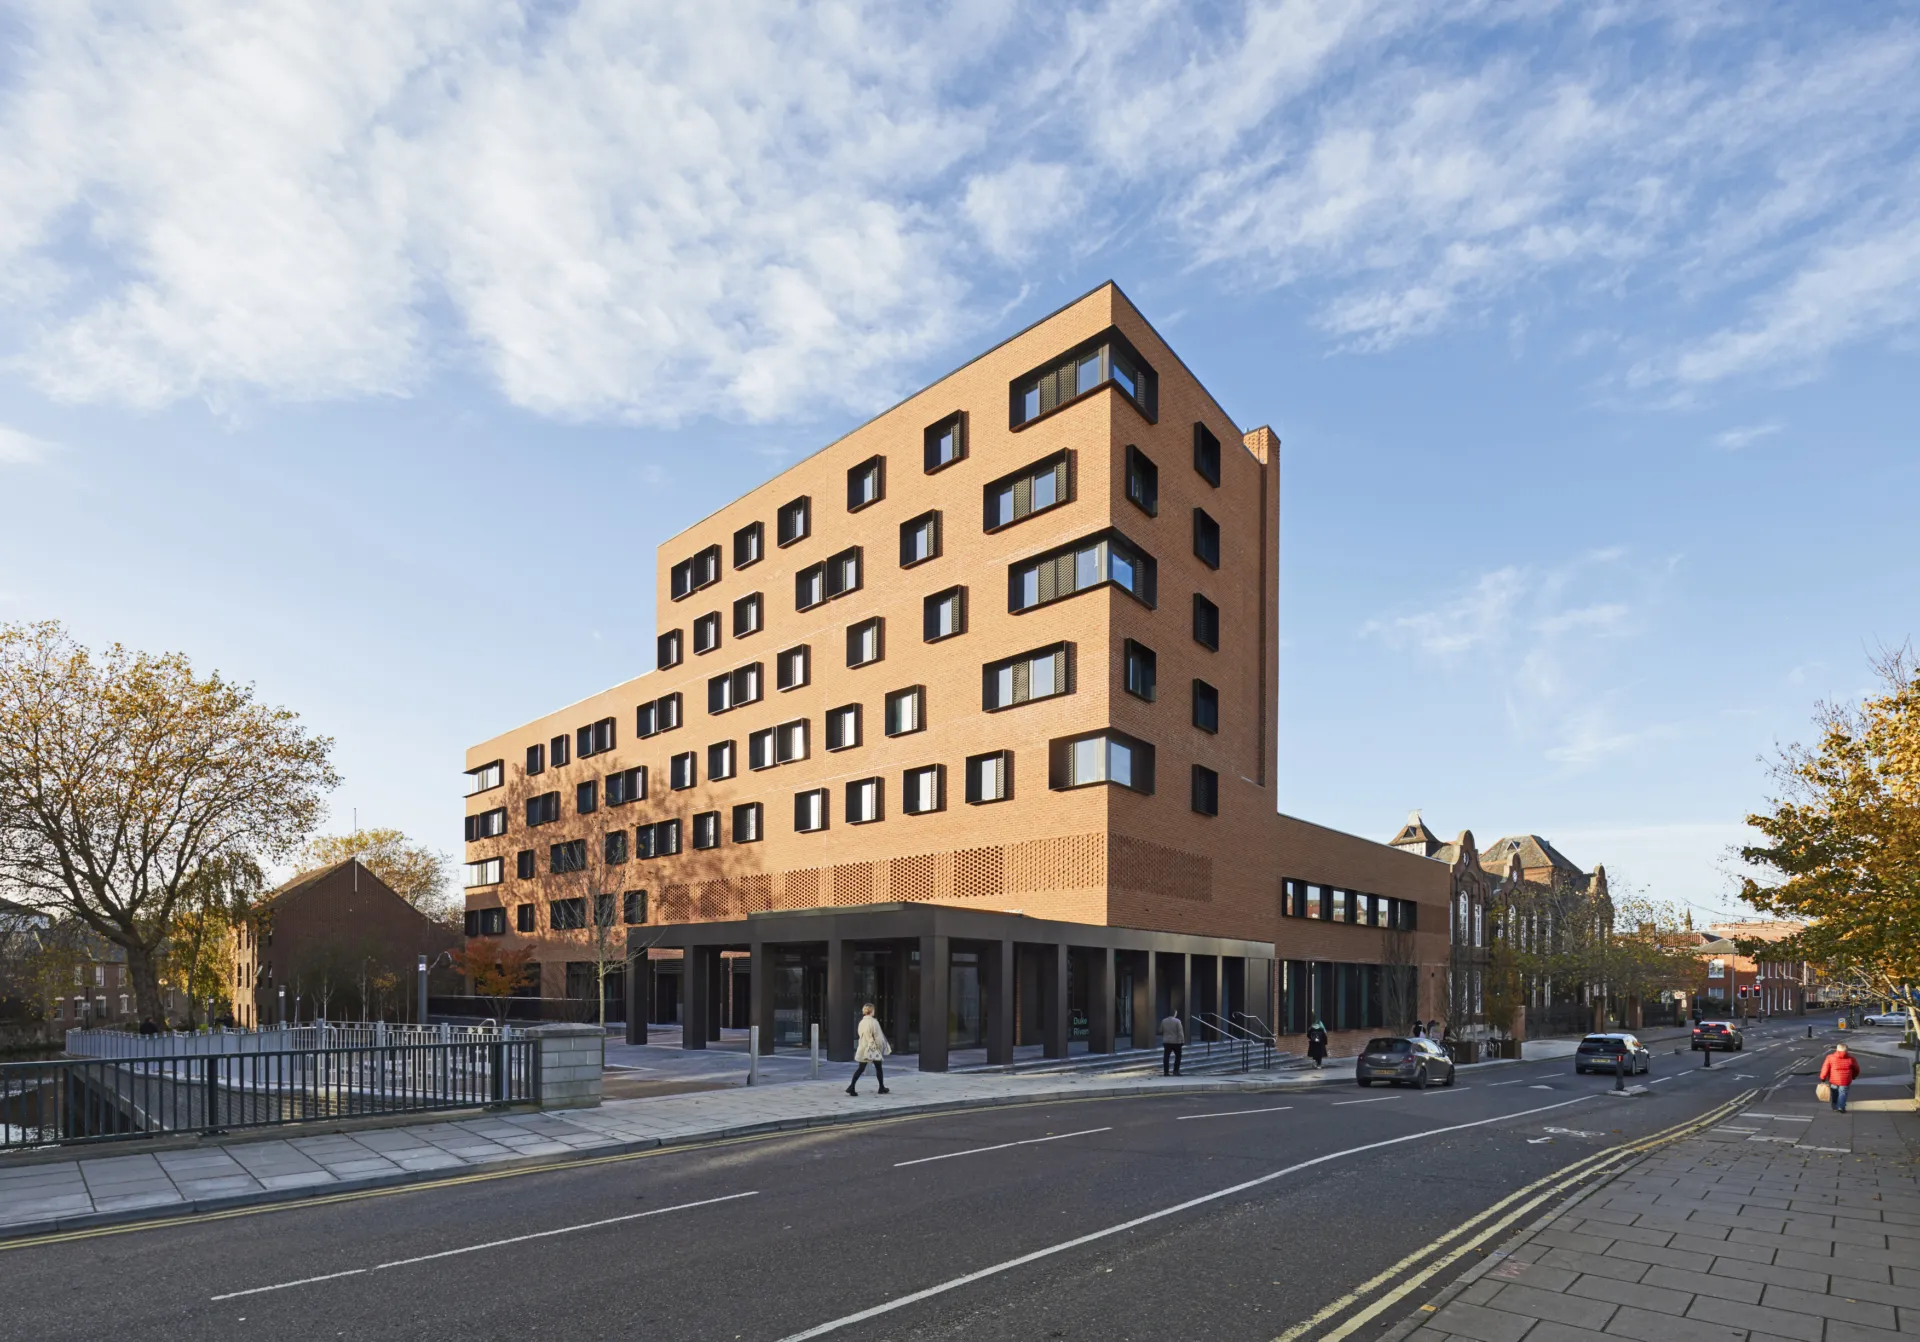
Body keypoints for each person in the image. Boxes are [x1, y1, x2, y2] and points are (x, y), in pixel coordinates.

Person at [847, 1003, 891, 1096]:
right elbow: (878, 1037)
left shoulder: (861, 1022)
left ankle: (852, 1086)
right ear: (872, 1011)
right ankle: (881, 1087)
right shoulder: (874, 1022)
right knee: (879, 1068)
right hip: (872, 1048)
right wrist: (880, 1047)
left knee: (861, 1068)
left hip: (863, 1047)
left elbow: (860, 1034)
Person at [1819, 1043, 1860, 1113]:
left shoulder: (1830, 1057)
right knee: (1843, 1093)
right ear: (1846, 1050)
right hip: (1845, 1080)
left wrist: (1822, 1078)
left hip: (1833, 1080)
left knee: (1834, 1093)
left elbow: (1825, 1068)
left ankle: (1835, 1107)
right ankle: (1841, 1107)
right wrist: (1853, 1077)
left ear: (1837, 1049)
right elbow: (1857, 1069)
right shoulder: (1851, 1059)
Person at [1159, 1010, 1186, 1075]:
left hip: (1166, 1041)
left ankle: (1166, 1072)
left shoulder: (1164, 1021)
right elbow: (1180, 1032)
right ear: (1175, 1014)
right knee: (1178, 1057)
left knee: (1166, 1056)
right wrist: (1182, 1040)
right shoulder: (1177, 1021)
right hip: (1176, 1042)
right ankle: (1176, 1071)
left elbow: (1160, 1030)